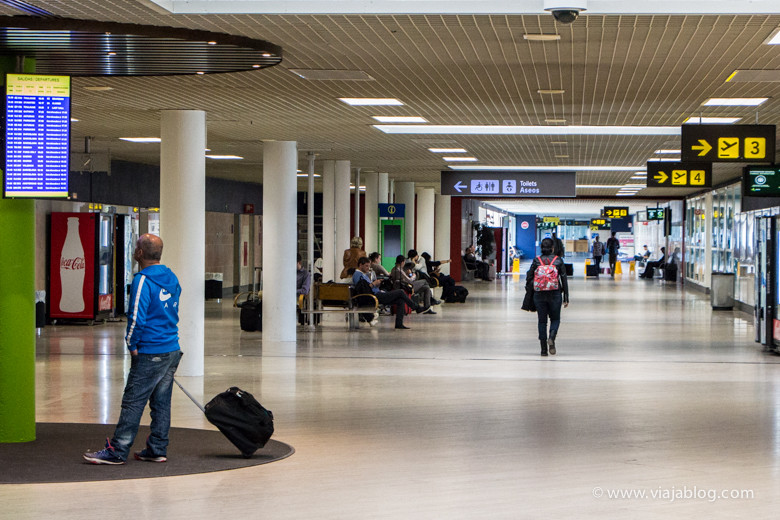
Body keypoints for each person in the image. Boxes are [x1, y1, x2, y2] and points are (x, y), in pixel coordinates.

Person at [83, 234, 183, 464]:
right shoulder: (171, 277)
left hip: (150, 350)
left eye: (136, 247)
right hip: (171, 347)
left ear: (139, 253)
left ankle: (118, 450)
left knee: (133, 401)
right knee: (161, 402)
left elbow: (136, 316)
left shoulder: (143, 280)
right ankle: (158, 447)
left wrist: (132, 345)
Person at [523, 237, 569, 357]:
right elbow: (563, 279)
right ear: (553, 248)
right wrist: (566, 297)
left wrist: (530, 290)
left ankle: (543, 350)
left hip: (539, 294)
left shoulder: (536, 261)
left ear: (541, 248)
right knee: (555, 319)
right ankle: (552, 337)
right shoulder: (558, 260)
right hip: (555, 293)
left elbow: (529, 277)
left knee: (542, 321)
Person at [352, 257, 428, 329]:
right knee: (400, 292)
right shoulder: (358, 275)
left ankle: (399, 323)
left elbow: (366, 286)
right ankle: (416, 307)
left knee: (400, 300)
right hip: (373, 296)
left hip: (376, 294)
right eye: (366, 266)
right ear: (360, 265)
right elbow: (362, 289)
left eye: (368, 266)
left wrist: (376, 284)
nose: (368, 268)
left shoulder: (363, 274)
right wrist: (374, 284)